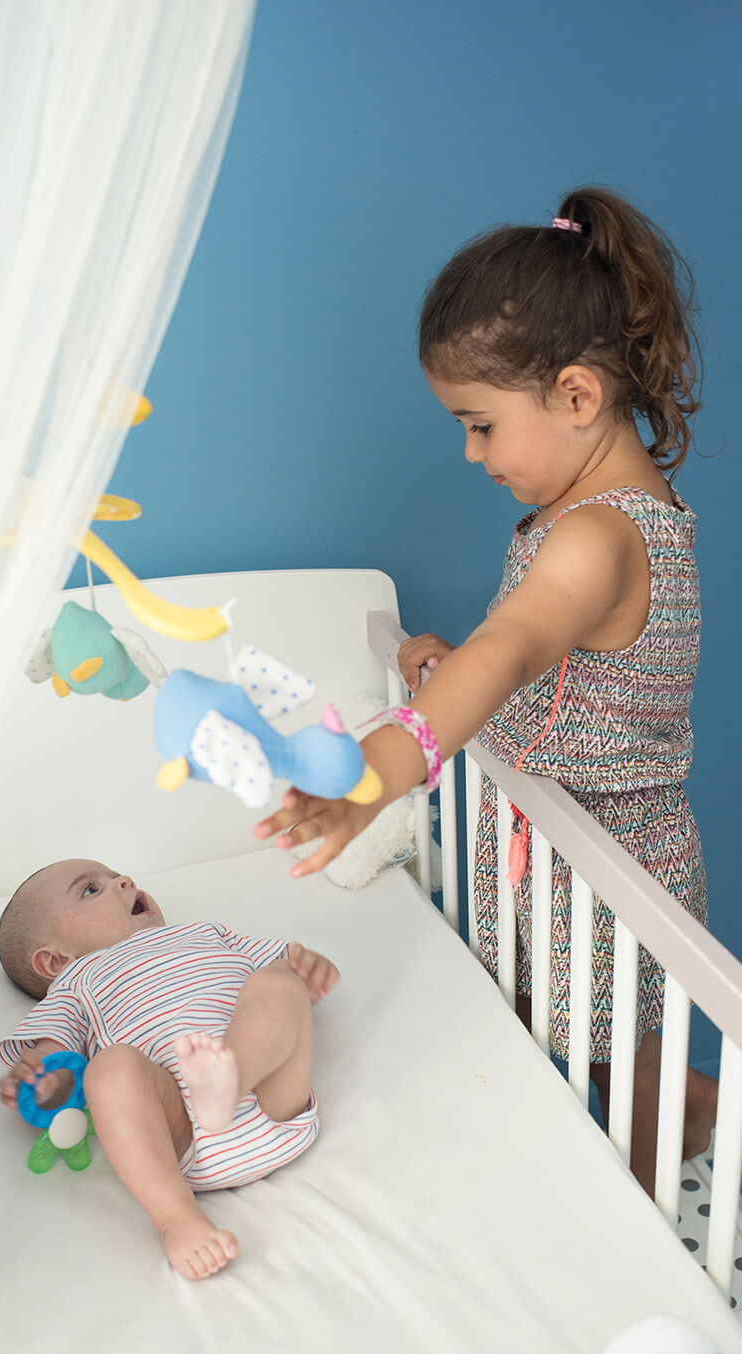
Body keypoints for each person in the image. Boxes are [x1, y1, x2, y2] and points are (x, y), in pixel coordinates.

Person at [255, 186, 715, 1195]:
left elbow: (512, 648)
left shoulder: (596, 534)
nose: (469, 454)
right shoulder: (605, 512)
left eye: (478, 424)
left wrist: (375, 773)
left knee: (629, 1084)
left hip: (610, 881)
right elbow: (552, 668)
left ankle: (659, 1230)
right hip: (562, 855)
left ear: (577, 395)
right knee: (595, 1051)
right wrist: (444, 664)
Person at [0, 858, 339, 1280]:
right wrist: (39, 1082)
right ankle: (176, 1217)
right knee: (109, 1068)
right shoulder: (77, 980)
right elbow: (59, 1069)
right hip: (179, 1131)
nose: (122, 881)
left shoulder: (204, 933)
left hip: (274, 1093)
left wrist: (309, 969)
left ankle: (231, 1081)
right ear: (54, 961)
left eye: (115, 876)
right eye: (90, 890)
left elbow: (288, 966)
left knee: (277, 984)